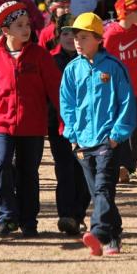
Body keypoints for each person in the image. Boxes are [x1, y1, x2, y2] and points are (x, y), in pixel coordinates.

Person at [0, 1, 62, 238]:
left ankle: (28, 220)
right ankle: (5, 217)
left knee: (28, 173)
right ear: (5, 30)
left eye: (27, 25)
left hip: (32, 125)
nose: (26, 29)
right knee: (1, 164)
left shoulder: (41, 56)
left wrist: (65, 121)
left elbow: (56, 91)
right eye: (19, 25)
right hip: (1, 123)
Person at [60, 12, 137, 256]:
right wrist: (72, 135)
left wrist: (116, 136)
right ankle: (114, 236)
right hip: (82, 142)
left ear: (98, 39)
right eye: (75, 37)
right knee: (99, 193)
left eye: (83, 37)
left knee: (103, 189)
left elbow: (126, 103)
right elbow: (67, 104)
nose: (77, 42)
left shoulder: (114, 68)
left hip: (108, 141)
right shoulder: (72, 69)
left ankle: (98, 233)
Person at [49, 14, 91, 235]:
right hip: (60, 127)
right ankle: (66, 216)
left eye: (73, 33)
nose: (69, 38)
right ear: (58, 35)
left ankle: (78, 214)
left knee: (83, 170)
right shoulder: (50, 60)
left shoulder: (90, 60)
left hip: (87, 128)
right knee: (64, 170)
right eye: (65, 33)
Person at [102, 0, 137, 182]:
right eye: (136, 10)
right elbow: (104, 61)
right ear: (125, 13)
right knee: (118, 126)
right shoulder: (111, 34)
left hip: (135, 87)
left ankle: (129, 166)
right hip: (116, 89)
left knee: (133, 129)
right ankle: (118, 165)